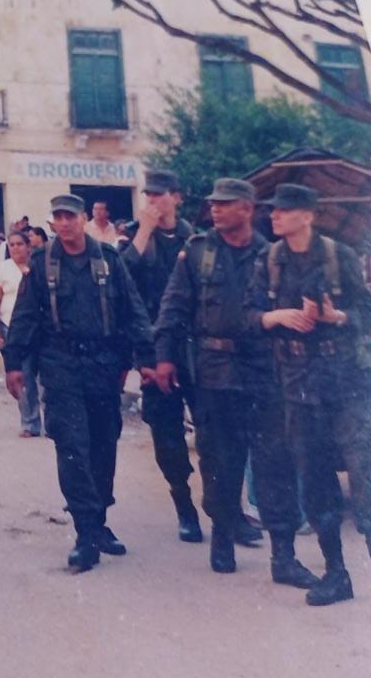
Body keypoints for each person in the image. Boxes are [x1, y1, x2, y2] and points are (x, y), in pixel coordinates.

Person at [153, 178, 317, 586]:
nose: (215, 210)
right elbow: (173, 307)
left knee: (273, 465)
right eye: (213, 204)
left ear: (247, 208)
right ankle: (222, 538)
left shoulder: (273, 256)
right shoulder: (196, 254)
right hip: (214, 372)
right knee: (219, 465)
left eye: (225, 204)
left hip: (265, 372)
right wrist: (164, 358)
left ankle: (284, 557)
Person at [245, 183, 371, 615]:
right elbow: (247, 315)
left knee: (366, 475)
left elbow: (370, 313)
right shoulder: (269, 261)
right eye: (273, 210)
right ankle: (337, 575)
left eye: (284, 210)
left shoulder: (339, 257)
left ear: (307, 215)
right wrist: (275, 316)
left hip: (345, 382)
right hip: (297, 385)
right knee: (314, 481)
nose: (274, 216)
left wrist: (338, 316)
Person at [3, 194, 155, 572]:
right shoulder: (42, 264)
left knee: (103, 445)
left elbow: (131, 310)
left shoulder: (110, 259)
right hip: (61, 365)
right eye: (57, 217)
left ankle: (100, 521)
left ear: (85, 219)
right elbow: (24, 315)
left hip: (103, 364)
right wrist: (13, 362)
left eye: (70, 216)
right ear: (53, 223)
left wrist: (145, 358)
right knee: (71, 446)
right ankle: (85, 532)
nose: (64, 222)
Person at [119, 170, 204, 543]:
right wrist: (143, 232)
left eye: (159, 194)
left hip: (196, 349)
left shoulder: (195, 239)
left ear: (177, 197)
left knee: (215, 432)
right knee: (167, 434)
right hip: (154, 350)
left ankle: (226, 510)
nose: (152, 201)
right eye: (147, 194)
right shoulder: (136, 239)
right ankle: (185, 508)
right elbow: (120, 280)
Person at [0, 230, 42, 436]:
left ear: (28, 246)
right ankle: (30, 423)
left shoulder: (37, 267)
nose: (16, 248)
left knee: (45, 377)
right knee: (23, 376)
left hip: (38, 328)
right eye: (12, 245)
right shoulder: (0, 270)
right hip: (11, 328)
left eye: (20, 244)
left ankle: (53, 422)